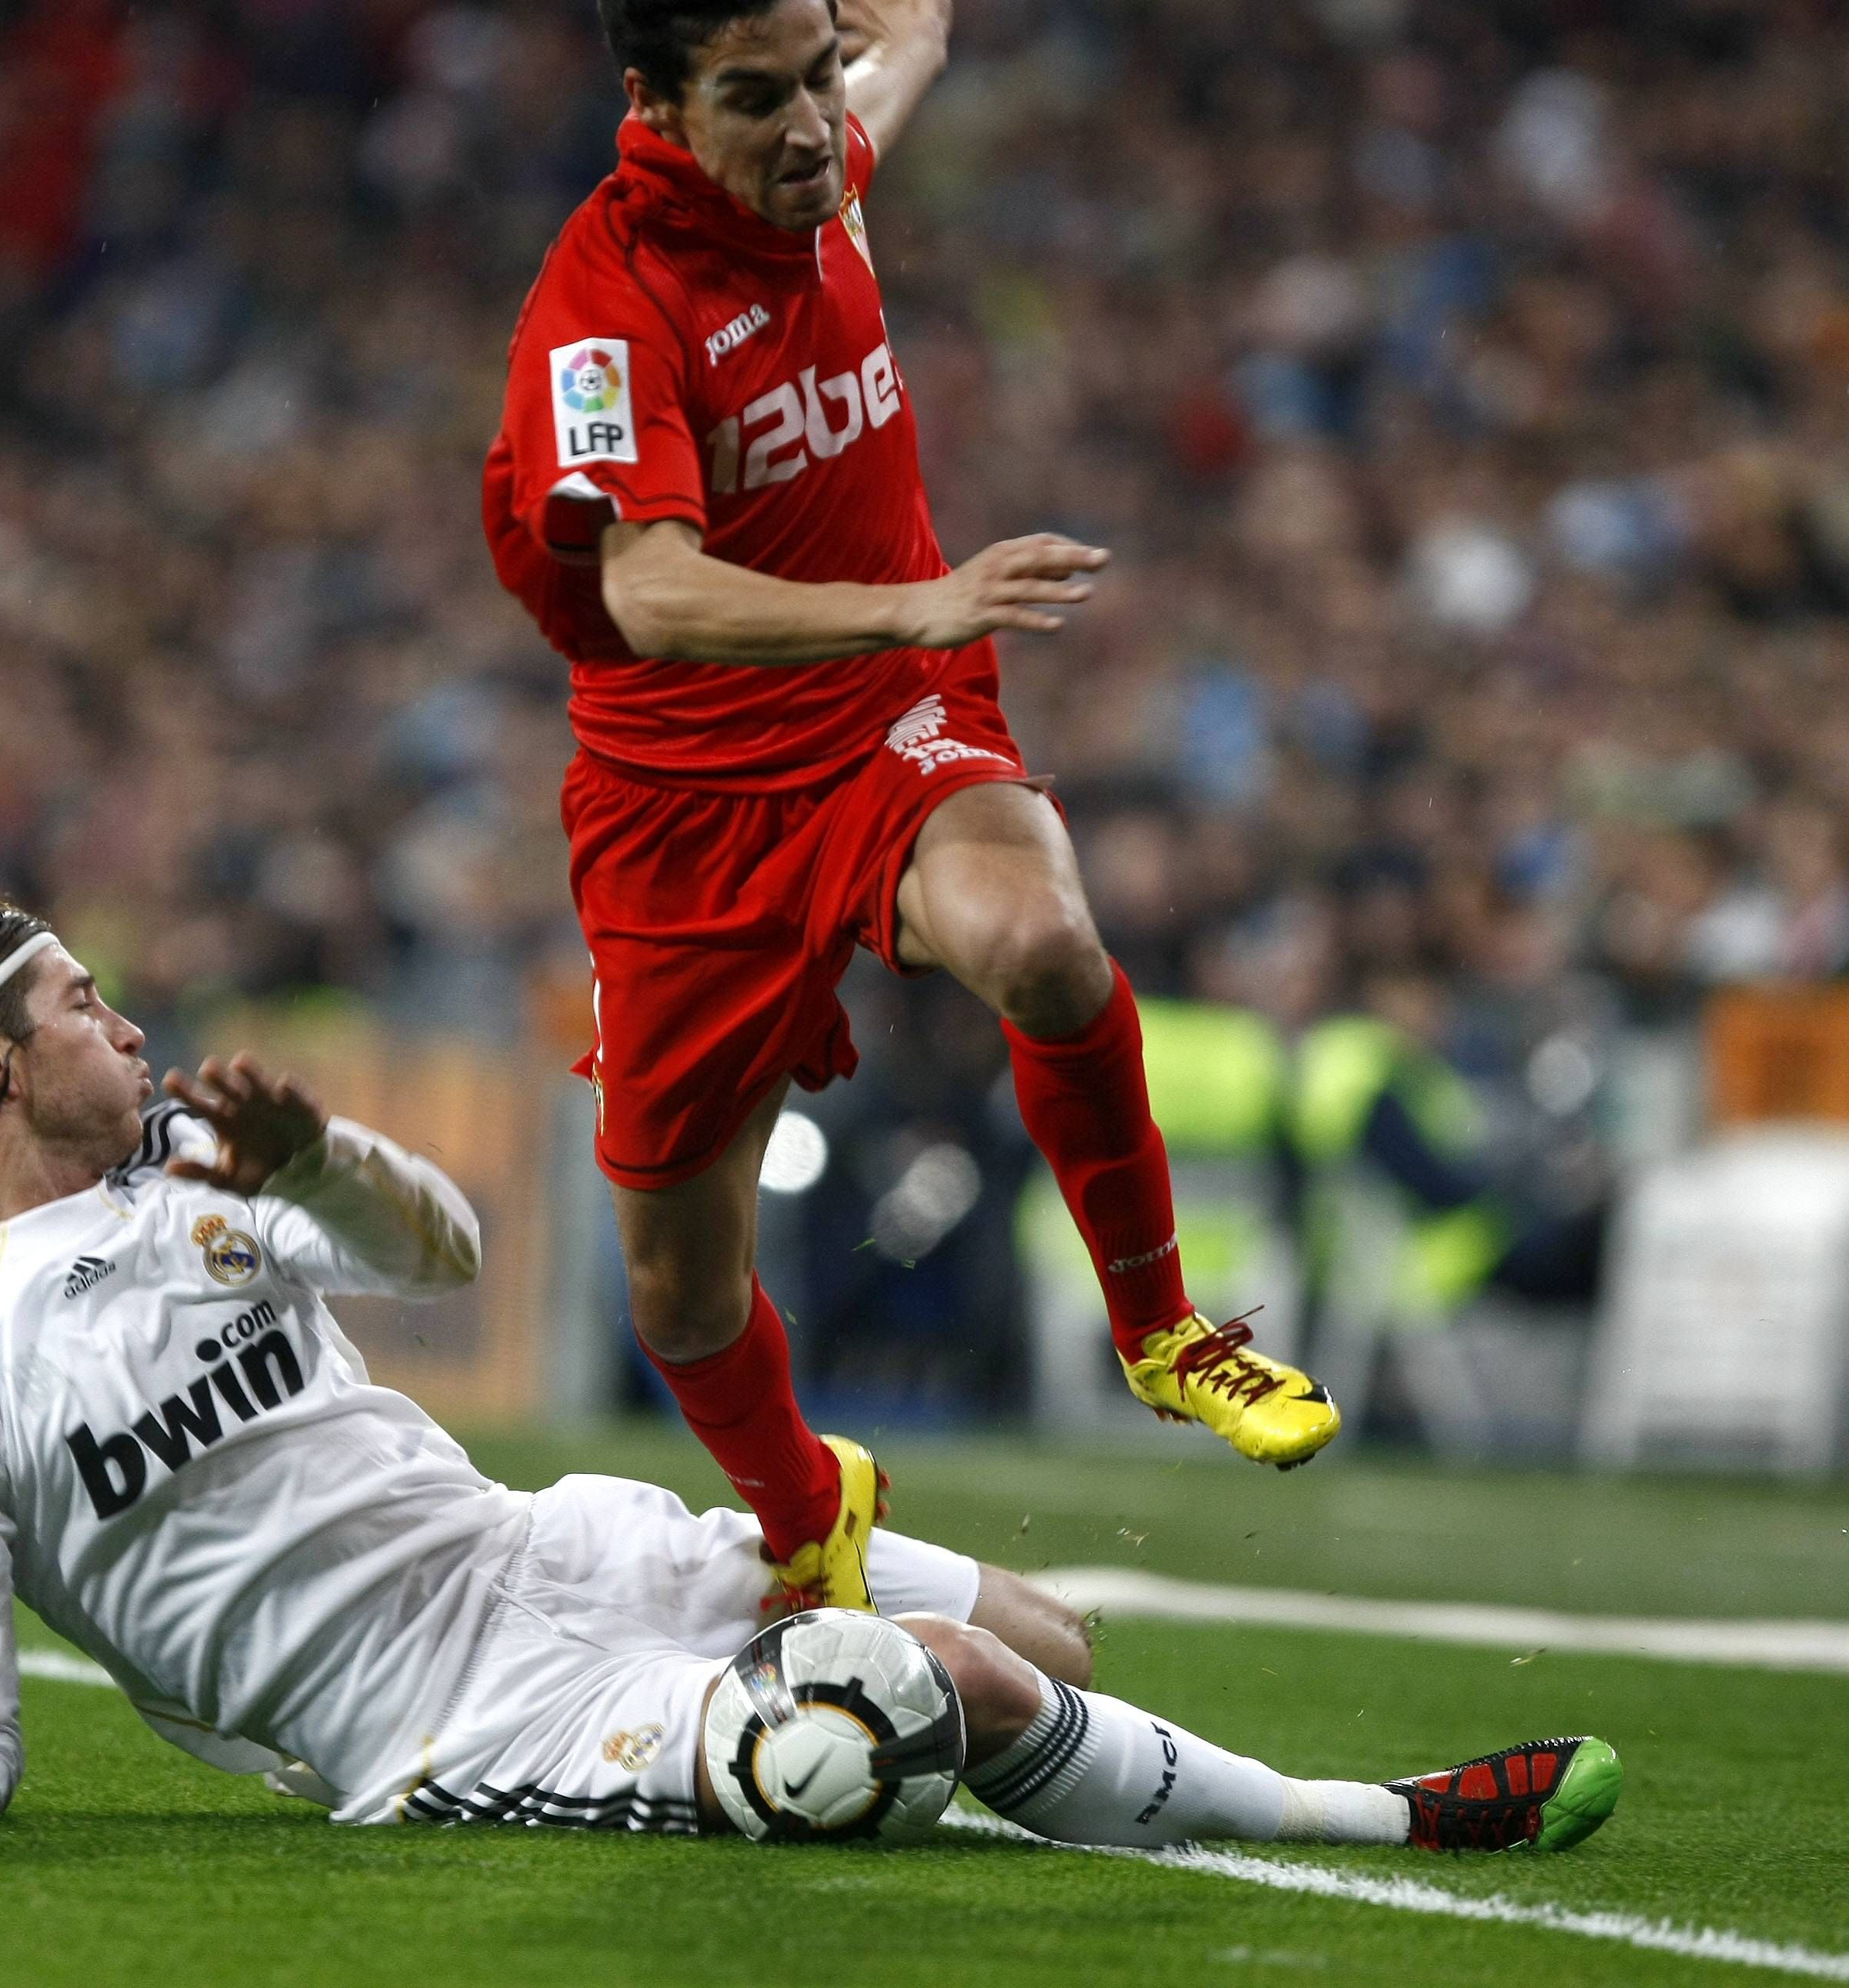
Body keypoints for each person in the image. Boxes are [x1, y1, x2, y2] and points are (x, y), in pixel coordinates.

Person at [0, 893, 1618, 1858]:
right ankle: (1386, 1820)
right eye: (77, 1007)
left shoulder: (202, 1188)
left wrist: (314, 1165)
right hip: (444, 1721)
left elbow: (439, 1253)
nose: (124, 1025)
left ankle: (1098, 1769)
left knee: (1044, 1638)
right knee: (947, 1688)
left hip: (549, 1553)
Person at [483, 0, 1337, 1609]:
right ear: (653, 104)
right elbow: (653, 591)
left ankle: (1161, 1326)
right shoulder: (600, 320)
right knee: (677, 1292)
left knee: (1037, 940)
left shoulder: (814, 162)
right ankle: (810, 1511)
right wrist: (917, 605)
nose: (812, 128)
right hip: (685, 804)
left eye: (817, 82)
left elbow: (909, 44)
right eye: (757, 97)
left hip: (887, 720)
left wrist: (901, 21)